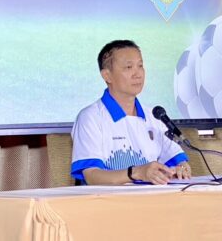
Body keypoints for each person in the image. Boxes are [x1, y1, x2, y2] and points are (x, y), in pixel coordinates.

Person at [70, 40, 191, 185]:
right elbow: (91, 176)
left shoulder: (154, 116)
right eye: (129, 67)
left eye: (140, 66)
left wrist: (181, 168)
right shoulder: (90, 118)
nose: (138, 74)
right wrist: (137, 172)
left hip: (153, 197)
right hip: (108, 198)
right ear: (107, 75)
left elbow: (178, 160)